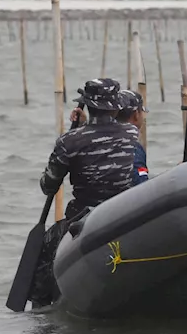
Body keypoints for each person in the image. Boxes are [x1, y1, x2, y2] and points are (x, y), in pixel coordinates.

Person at [31, 78, 142, 306]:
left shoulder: (69, 142)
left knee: (47, 249)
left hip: (83, 215)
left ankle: (40, 311)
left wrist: (76, 133)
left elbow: (48, 185)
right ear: (116, 107)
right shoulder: (132, 133)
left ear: (87, 105)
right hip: (122, 211)